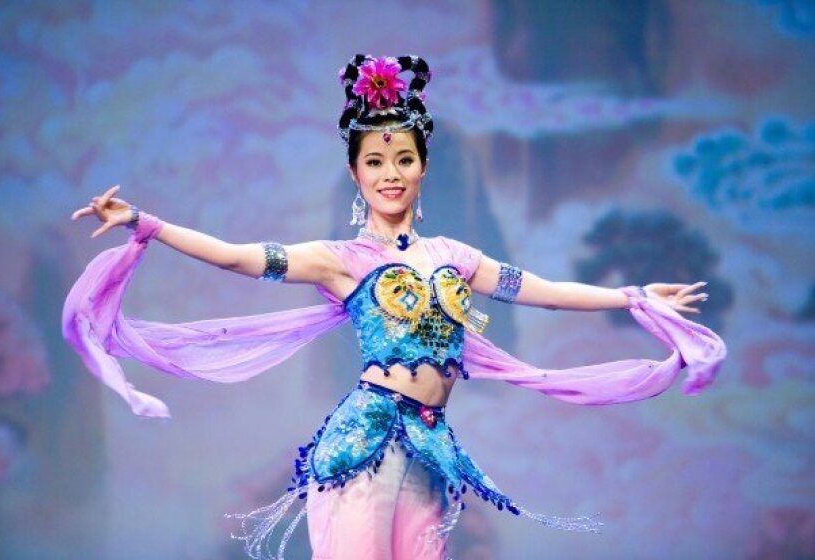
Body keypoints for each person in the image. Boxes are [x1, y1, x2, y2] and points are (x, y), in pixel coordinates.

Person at [63, 54, 727, 560]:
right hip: (368, 444)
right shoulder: (340, 259)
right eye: (375, 161)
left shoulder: (455, 256)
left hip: (432, 446)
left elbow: (543, 291)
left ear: (422, 168)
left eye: (403, 159)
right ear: (356, 173)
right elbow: (239, 257)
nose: (390, 173)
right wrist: (147, 223)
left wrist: (633, 296)